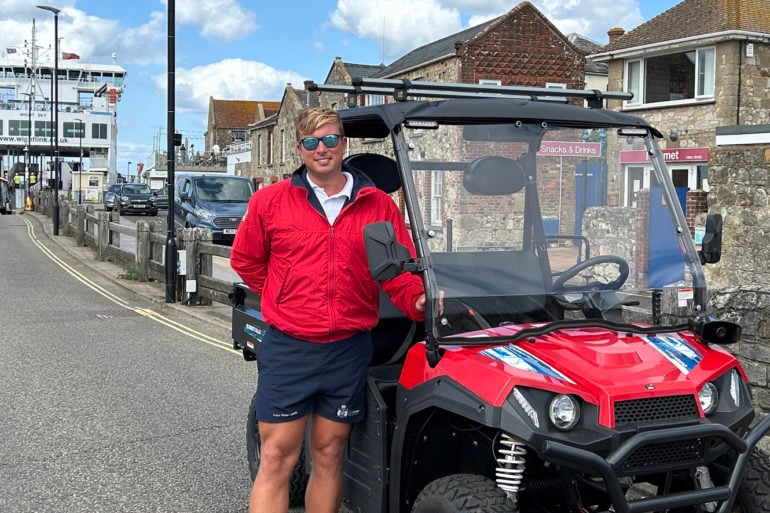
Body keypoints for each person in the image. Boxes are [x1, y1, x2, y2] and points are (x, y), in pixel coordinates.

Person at [230, 107, 428, 513]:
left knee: (330, 453)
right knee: (277, 458)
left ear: (344, 144)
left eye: (330, 140)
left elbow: (397, 273)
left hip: (348, 350)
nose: (322, 149)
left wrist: (417, 300)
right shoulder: (270, 201)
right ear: (300, 149)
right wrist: (285, 298)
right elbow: (246, 261)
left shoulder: (378, 206)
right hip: (290, 348)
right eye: (311, 142)